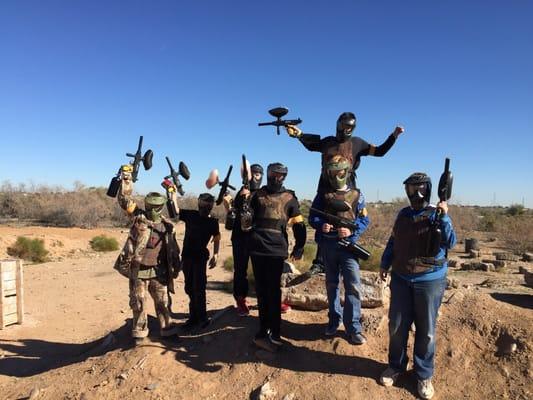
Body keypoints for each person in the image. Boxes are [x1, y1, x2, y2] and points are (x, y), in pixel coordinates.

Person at [286, 112, 403, 273]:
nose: (346, 129)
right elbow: (311, 145)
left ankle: (346, 258)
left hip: (347, 187)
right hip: (325, 187)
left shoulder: (358, 143)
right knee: (323, 220)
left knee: (346, 220)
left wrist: (394, 136)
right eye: (344, 126)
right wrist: (299, 134)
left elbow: (380, 151)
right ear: (338, 125)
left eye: (350, 127)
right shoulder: (328, 142)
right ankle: (319, 263)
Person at [378, 172, 456, 400]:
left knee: (427, 331)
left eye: (418, 188)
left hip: (429, 280)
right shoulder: (403, 214)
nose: (414, 193)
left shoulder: (437, 214)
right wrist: (385, 262)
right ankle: (396, 366)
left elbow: (451, 242)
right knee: (397, 326)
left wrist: (444, 217)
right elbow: (393, 240)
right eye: (410, 188)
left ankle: (423, 374)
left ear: (428, 189)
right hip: (401, 278)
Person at [242, 162, 306, 352]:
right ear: (268, 174)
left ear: (284, 176)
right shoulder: (257, 195)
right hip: (257, 248)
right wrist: (243, 203)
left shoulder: (289, 198)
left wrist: (300, 247)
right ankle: (263, 330)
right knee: (261, 292)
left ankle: (275, 332)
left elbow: (299, 225)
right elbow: (245, 220)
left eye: (281, 175)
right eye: (274, 174)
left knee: (273, 292)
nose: (277, 178)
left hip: (276, 250)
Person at [114, 165, 181, 342]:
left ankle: (167, 330)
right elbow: (124, 200)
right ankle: (139, 333)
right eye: (151, 206)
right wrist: (126, 179)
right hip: (139, 270)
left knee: (163, 303)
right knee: (138, 303)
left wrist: (176, 266)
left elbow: (173, 248)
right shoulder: (139, 218)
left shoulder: (167, 226)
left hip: (159, 271)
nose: (154, 210)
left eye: (157, 207)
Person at [308, 155, 370, 345]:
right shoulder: (323, 194)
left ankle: (353, 328)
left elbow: (364, 220)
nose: (336, 175)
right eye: (333, 172)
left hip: (348, 247)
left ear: (346, 172)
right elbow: (312, 216)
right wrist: (321, 225)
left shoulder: (357, 195)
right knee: (331, 284)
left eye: (339, 172)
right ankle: (334, 320)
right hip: (328, 245)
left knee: (353, 286)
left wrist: (351, 229)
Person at [168, 189, 221, 330]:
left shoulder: (212, 222)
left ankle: (202, 318)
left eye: (208, 205)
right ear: (198, 204)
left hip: (200, 258)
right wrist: (172, 194)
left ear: (211, 206)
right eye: (202, 205)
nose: (204, 208)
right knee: (189, 287)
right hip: (187, 257)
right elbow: (176, 210)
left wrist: (216, 254)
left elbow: (217, 238)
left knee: (199, 288)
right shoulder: (191, 215)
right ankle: (193, 317)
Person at [223, 163, 264, 316]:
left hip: (258, 238)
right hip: (240, 238)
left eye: (258, 174)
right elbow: (233, 214)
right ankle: (241, 300)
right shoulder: (241, 192)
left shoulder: (264, 193)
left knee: (261, 271)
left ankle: (266, 300)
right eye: (252, 174)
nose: (254, 177)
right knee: (240, 271)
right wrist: (232, 203)